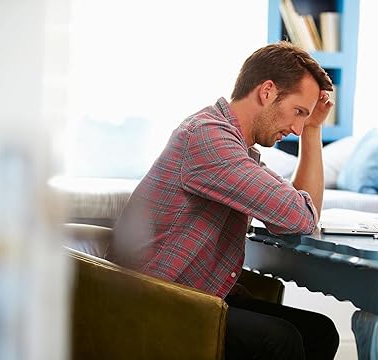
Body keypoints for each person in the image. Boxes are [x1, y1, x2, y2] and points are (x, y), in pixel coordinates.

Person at [107, 41, 339, 360]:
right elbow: (300, 216)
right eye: (299, 112)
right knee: (280, 341)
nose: (297, 129)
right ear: (267, 92)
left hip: (195, 294)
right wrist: (299, 209)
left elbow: (298, 216)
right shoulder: (209, 138)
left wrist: (314, 129)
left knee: (319, 332)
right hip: (156, 301)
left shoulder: (236, 149)